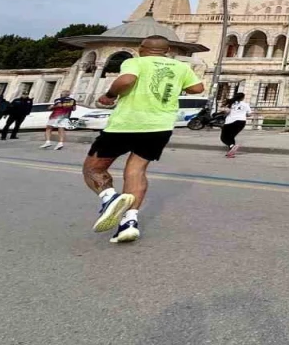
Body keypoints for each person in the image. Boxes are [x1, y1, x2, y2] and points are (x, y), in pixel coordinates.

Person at [83, 36, 205, 244]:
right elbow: (197, 89)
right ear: (167, 50)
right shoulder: (179, 67)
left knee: (93, 169)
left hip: (128, 123)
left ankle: (110, 198)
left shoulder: (134, 62)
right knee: (136, 170)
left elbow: (126, 80)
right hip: (160, 126)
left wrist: (110, 95)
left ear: (141, 49)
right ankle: (129, 222)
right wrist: (174, 85)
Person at [219, 92, 250, 158]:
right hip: (241, 122)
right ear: (243, 98)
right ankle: (231, 152)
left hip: (230, 122)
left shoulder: (230, 103)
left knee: (224, 138)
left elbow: (226, 111)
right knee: (231, 137)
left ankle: (232, 146)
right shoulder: (245, 104)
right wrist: (243, 113)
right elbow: (249, 114)